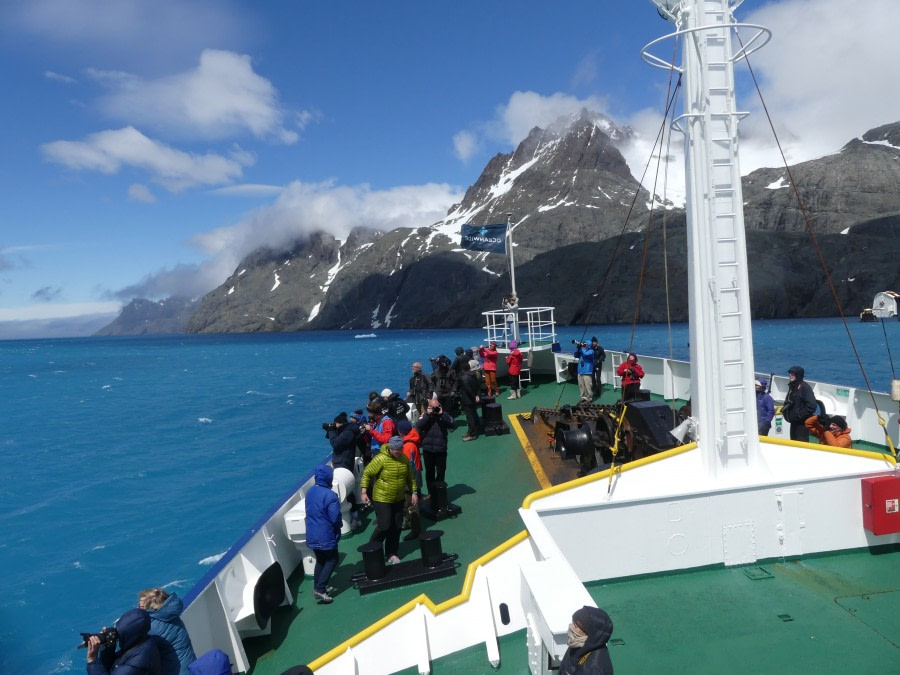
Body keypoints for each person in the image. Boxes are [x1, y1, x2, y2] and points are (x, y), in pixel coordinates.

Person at [360, 436, 418, 564]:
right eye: (395, 449)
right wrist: (364, 491)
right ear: (390, 448)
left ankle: (392, 553)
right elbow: (367, 473)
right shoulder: (380, 459)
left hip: (398, 498)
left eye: (400, 449)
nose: (398, 451)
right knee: (384, 525)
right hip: (382, 498)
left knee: (396, 526)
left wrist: (414, 492)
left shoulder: (403, 459)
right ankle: (372, 549)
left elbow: (410, 477)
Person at [305, 463, 342, 603]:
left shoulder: (310, 492)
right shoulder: (331, 495)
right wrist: (339, 526)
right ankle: (320, 589)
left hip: (312, 533)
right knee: (332, 559)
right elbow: (335, 517)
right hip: (325, 534)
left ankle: (317, 588)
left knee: (320, 560)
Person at [86, 607, 161, 675]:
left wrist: (92, 660)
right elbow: (109, 668)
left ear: (130, 634)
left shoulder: (140, 659)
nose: (118, 636)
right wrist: (108, 647)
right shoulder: (138, 643)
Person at [138, 589, 196, 674]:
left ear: (151, 607)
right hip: (190, 667)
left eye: (140, 606)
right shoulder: (170, 615)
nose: (138, 608)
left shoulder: (153, 627)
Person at [558, 605, 614, 675]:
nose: (571, 627)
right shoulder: (576, 643)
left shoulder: (595, 669)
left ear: (588, 632)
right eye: (572, 622)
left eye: (576, 626)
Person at [417, 398, 454, 495]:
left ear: (440, 406)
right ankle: (431, 493)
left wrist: (442, 414)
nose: (435, 409)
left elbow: (452, 424)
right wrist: (428, 415)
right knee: (429, 473)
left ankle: (440, 492)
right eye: (432, 407)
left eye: (436, 407)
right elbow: (419, 425)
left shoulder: (444, 415)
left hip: (440, 449)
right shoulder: (425, 416)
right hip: (428, 450)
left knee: (441, 472)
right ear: (429, 407)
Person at [396, 419, 423, 541]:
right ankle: (409, 523)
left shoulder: (407, 446)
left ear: (401, 432)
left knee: (412, 505)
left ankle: (415, 529)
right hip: (416, 474)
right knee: (407, 503)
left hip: (410, 478)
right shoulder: (412, 441)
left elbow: (406, 466)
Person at [780, 365, 817, 442]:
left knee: (801, 445)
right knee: (793, 444)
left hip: (801, 424)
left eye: (792, 373)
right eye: (790, 373)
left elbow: (812, 406)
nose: (790, 375)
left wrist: (799, 415)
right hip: (794, 422)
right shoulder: (793, 386)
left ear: (798, 375)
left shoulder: (805, 388)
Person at [458, 361, 482, 441]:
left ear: (462, 369)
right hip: (473, 399)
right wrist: (477, 396)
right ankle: (475, 429)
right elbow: (478, 386)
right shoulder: (474, 375)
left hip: (467, 400)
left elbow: (468, 389)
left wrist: (474, 397)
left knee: (470, 417)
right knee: (474, 414)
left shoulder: (464, 378)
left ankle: (472, 434)